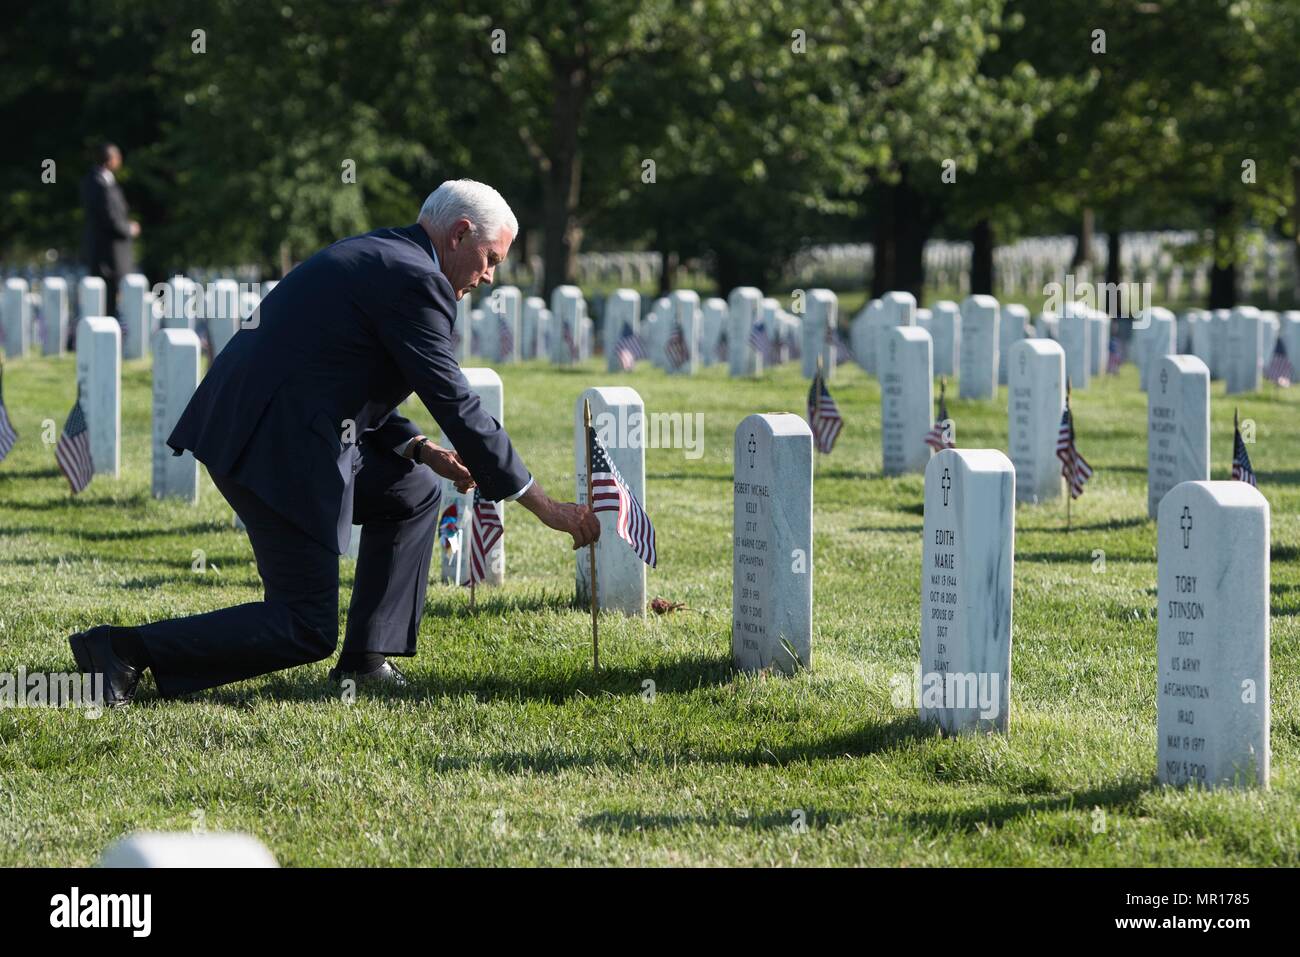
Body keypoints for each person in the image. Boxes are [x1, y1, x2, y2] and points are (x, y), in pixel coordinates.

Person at [68, 180, 600, 706]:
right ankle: (123, 649)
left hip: (268, 425)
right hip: (274, 446)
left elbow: (338, 371)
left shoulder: (385, 253)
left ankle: (368, 659)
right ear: (460, 234)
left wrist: (417, 447)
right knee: (305, 625)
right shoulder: (418, 281)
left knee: (411, 490)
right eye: (491, 258)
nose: (488, 276)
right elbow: (456, 404)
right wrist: (542, 504)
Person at [79, 142, 139, 314]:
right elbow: (110, 219)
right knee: (107, 302)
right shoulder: (98, 183)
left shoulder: (103, 181)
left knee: (110, 300)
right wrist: (129, 229)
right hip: (107, 254)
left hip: (109, 252)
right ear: (110, 159)